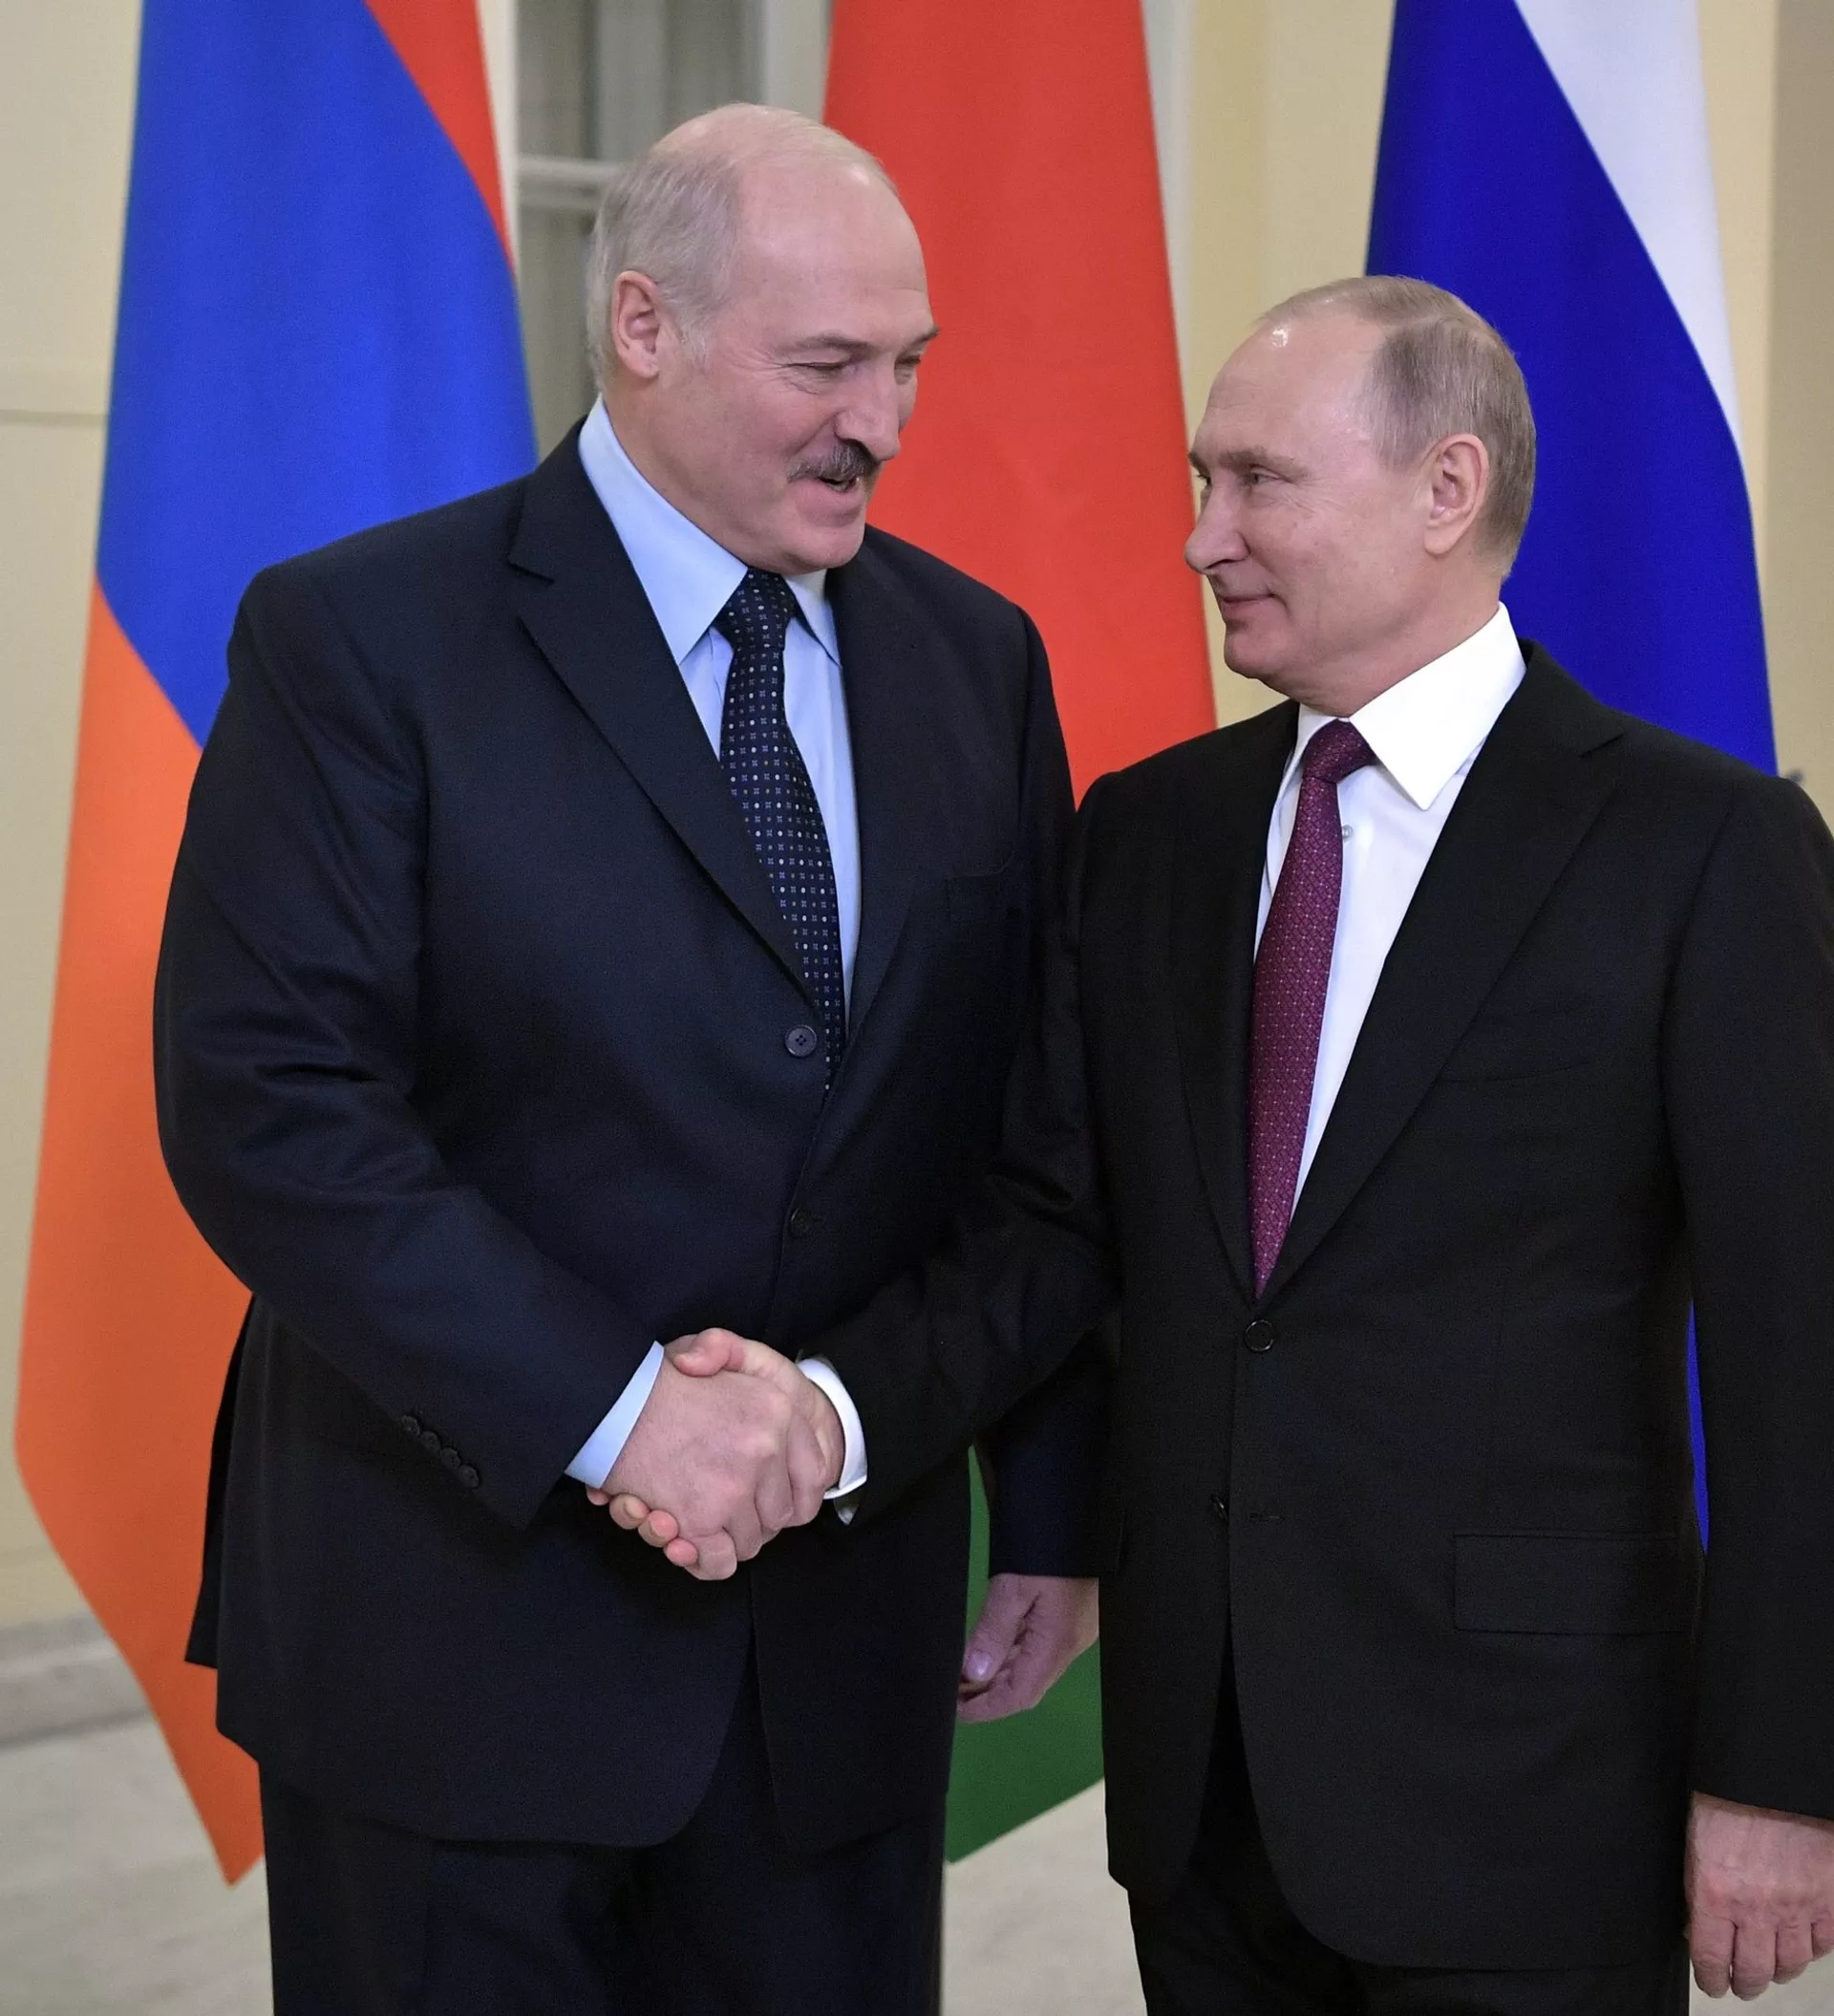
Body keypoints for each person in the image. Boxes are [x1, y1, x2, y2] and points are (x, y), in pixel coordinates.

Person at [616, 277, 1834, 2012]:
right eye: (1205, 480)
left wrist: (1782, 1772)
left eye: (1260, 481)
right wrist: (830, 1407)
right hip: (1205, 1791)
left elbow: (1801, 1345)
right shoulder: (1149, 835)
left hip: (1534, 1789)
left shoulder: (1702, 849)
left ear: (1446, 488)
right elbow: (1055, 1230)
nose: (1203, 538)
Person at [155, 105, 1104, 2016]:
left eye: (909, 364)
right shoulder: (362, 640)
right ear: (645, 327)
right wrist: (621, 1408)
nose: (882, 423)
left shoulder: (978, 661)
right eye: (827, 365)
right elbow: (273, 1105)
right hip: (451, 1649)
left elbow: (1041, 1137)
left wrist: (1035, 1496)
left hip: (837, 1657)